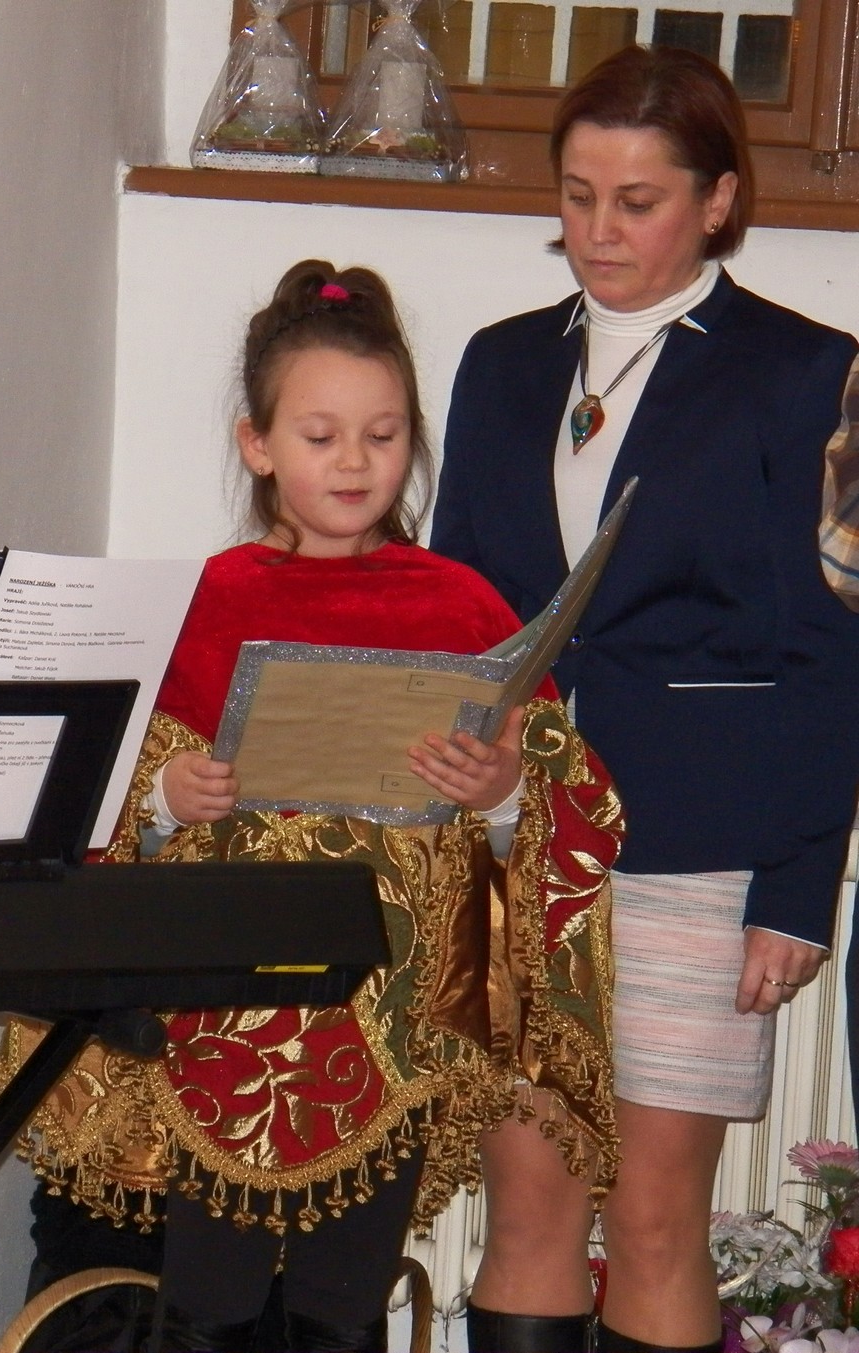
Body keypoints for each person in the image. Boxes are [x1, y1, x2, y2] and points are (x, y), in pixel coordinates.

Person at [0, 261, 622, 1351]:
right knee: (212, 1303)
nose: (355, 462)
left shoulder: (462, 603)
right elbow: (98, 801)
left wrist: (503, 789)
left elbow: (562, 812)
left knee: (342, 1305)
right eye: (321, 436)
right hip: (223, 1036)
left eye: (383, 435)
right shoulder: (202, 603)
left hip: (387, 1030)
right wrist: (168, 799)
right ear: (259, 444)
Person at [434, 47, 859, 1353]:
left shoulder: (811, 372)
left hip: (701, 846)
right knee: (528, 1215)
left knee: (656, 1221)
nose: (599, 232)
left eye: (637, 202)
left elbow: (835, 649)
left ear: (718, 200)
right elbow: (461, 614)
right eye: (578, 198)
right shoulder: (501, 363)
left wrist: (796, 888)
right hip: (518, 842)